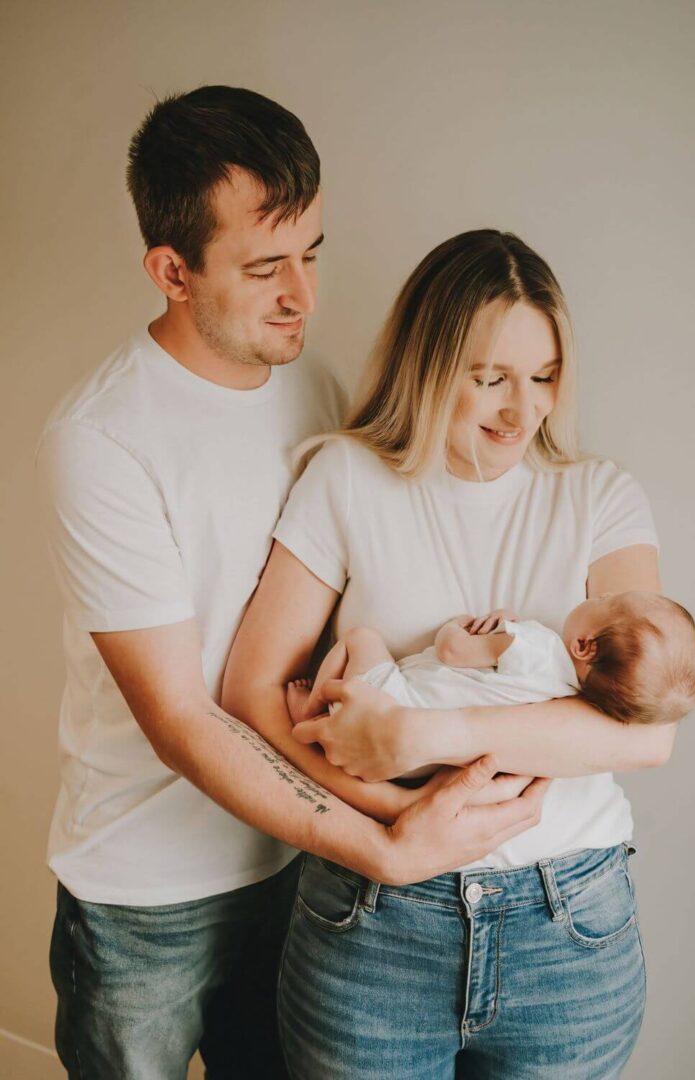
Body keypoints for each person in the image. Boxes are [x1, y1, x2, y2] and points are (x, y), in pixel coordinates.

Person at [37, 92, 547, 1080]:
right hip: (145, 891)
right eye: (265, 267)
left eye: (311, 253)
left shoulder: (315, 391)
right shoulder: (99, 440)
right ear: (170, 271)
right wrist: (387, 847)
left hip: (297, 867)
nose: (304, 297)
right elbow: (182, 718)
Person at [222, 229, 682, 1078]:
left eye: (542, 377)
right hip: (371, 919)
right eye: (490, 378)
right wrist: (384, 812)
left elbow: (642, 734)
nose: (523, 409)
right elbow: (250, 692)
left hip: (567, 927)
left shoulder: (599, 497)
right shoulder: (346, 478)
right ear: (430, 364)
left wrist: (413, 742)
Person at [287, 593, 695, 740]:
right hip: (424, 752)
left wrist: (455, 627)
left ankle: (310, 710)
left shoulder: (537, 647)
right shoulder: (566, 695)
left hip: (394, 701)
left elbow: (454, 652)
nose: (599, 597)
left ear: (583, 644)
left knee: (361, 639)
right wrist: (512, 626)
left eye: (607, 602)